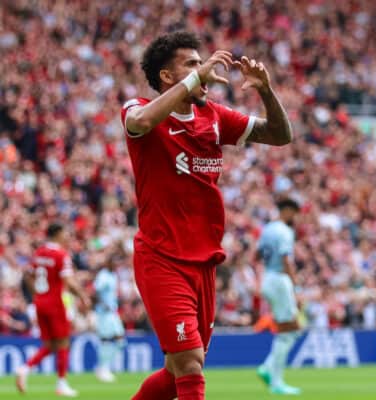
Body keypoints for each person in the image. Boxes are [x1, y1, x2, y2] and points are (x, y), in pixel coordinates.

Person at [122, 31, 292, 400]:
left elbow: (281, 135)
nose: (207, 70)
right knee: (190, 365)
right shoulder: (137, 108)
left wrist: (265, 90)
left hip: (204, 262)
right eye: (193, 63)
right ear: (168, 77)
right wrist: (194, 80)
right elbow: (140, 122)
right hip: (162, 258)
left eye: (202, 63)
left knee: (175, 373)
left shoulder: (213, 116)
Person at [16, 223, 91, 397]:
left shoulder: (39, 252)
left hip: (40, 303)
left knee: (51, 344)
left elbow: (27, 275)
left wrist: (37, 295)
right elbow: (70, 282)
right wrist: (83, 296)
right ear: (57, 233)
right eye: (65, 232)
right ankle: (62, 384)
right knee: (64, 342)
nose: (67, 236)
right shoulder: (61, 254)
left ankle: (25, 368)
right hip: (55, 303)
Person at [256, 199, 302, 395]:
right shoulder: (285, 231)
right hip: (279, 280)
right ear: (288, 211)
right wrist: (295, 283)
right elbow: (285, 259)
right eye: (295, 213)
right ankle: (276, 381)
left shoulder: (267, 229)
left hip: (267, 277)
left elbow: (257, 254)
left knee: (289, 330)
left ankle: (268, 368)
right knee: (289, 330)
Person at [94, 252, 126, 383]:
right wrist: (102, 304)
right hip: (104, 313)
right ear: (108, 263)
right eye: (114, 262)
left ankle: (103, 367)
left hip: (112, 312)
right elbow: (95, 292)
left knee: (120, 341)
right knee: (106, 340)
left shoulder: (113, 275)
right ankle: (103, 369)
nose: (116, 265)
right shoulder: (103, 275)